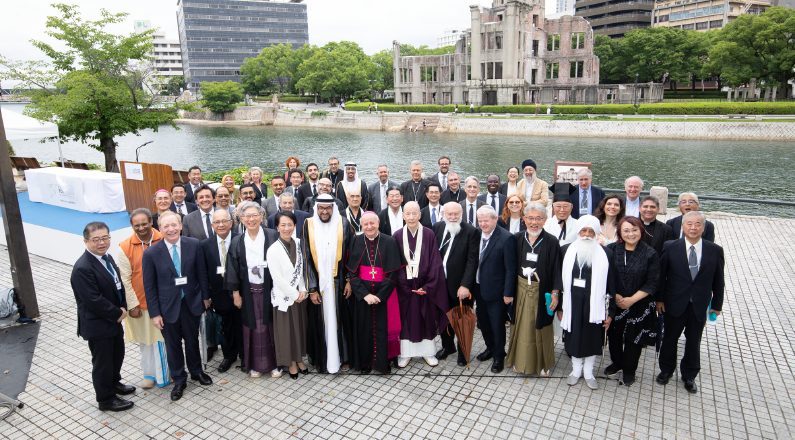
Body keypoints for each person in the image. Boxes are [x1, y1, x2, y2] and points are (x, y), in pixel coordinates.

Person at [142, 211, 213, 401]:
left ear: (181, 226)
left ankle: (197, 372)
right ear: (160, 229)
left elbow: (202, 273)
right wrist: (155, 313)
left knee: (192, 340)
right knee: (172, 345)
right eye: (166, 226)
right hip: (167, 308)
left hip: (191, 303)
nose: (171, 229)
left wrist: (205, 297)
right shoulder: (151, 253)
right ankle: (179, 379)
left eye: (174, 225)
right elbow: (149, 286)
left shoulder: (194, 245)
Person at [656, 211, 724, 394]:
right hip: (674, 302)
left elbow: (719, 280)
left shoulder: (714, 250)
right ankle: (666, 370)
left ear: (704, 227)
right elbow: (662, 276)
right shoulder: (670, 247)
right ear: (683, 226)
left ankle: (689, 375)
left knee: (694, 341)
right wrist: (659, 299)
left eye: (697, 224)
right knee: (670, 338)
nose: (693, 228)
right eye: (689, 224)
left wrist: (717, 305)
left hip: (699, 304)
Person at [71, 222, 135, 412]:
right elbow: (93, 300)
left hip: (113, 321)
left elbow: (117, 284)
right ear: (85, 241)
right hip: (99, 325)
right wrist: (118, 313)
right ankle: (105, 399)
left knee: (117, 355)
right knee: (103, 363)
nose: (101, 243)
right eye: (96, 239)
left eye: (105, 238)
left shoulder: (106, 258)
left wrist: (123, 305)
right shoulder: (83, 268)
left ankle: (114, 384)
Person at [224, 202, 280, 378]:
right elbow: (232, 268)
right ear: (240, 219)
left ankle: (275, 364)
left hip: (270, 289)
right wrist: (235, 293)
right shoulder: (237, 241)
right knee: (252, 327)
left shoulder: (272, 235)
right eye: (246, 216)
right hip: (249, 291)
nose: (251, 219)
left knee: (271, 326)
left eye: (255, 215)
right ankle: (254, 365)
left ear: (262, 216)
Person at [506, 203, 562, 376]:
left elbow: (556, 270)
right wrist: (508, 292)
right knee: (520, 327)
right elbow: (509, 267)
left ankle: (542, 364)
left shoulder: (552, 241)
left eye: (538, 218)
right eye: (530, 218)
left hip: (541, 290)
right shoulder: (516, 238)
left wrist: (555, 293)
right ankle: (519, 361)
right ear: (524, 219)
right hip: (521, 289)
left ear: (545, 220)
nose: (534, 222)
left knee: (541, 326)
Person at [559, 215, 614, 390]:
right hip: (572, 303)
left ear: (597, 233)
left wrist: (610, 312)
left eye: (591, 231)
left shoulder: (606, 253)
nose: (587, 235)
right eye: (584, 230)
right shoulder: (566, 250)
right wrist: (560, 306)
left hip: (595, 306)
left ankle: (589, 372)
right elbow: (559, 281)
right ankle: (575, 371)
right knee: (574, 338)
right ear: (578, 231)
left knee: (592, 339)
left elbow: (612, 285)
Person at [605, 216, 660, 386]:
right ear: (620, 233)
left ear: (641, 230)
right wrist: (616, 296)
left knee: (634, 339)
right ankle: (617, 362)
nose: (631, 234)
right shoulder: (611, 249)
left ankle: (629, 370)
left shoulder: (650, 253)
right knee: (613, 335)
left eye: (634, 230)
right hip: (616, 301)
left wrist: (631, 300)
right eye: (626, 230)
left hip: (639, 303)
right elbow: (605, 276)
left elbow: (653, 281)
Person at [393, 202, 449, 368]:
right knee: (406, 321)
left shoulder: (429, 234)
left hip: (425, 286)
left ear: (420, 215)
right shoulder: (396, 235)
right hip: (405, 288)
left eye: (414, 213)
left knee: (427, 319)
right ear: (403, 215)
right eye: (408, 213)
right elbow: (395, 263)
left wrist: (428, 286)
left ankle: (428, 352)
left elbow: (435, 263)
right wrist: (403, 284)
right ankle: (405, 353)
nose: (411, 217)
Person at [118, 209, 170, 389]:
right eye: (136, 225)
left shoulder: (164, 237)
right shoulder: (125, 247)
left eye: (144, 223)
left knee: (163, 340)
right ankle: (149, 374)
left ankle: (165, 374)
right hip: (140, 304)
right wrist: (132, 304)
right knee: (145, 342)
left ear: (151, 222)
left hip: (164, 301)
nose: (141, 228)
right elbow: (124, 278)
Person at [345, 212, 402, 374]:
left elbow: (393, 274)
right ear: (361, 225)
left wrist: (379, 295)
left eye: (372, 223)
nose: (369, 227)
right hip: (363, 297)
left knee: (382, 329)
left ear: (378, 223)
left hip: (383, 296)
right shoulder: (356, 241)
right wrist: (365, 295)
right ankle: (365, 364)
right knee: (363, 329)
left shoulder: (389, 241)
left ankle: (382, 363)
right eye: (365, 224)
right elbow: (352, 273)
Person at [302, 194, 353, 373]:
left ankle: (344, 357)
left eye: (328, 208)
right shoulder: (308, 225)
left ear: (333, 208)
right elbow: (306, 257)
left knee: (342, 321)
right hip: (320, 287)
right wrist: (312, 288)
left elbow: (350, 255)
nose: (324, 211)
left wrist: (349, 281)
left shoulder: (344, 224)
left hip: (339, 283)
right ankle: (321, 360)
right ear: (316, 208)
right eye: (321, 208)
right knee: (319, 322)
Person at [433, 202, 479, 366]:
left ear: (461, 214)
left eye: (456, 214)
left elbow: (472, 260)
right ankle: (447, 347)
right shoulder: (437, 227)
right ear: (444, 214)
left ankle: (463, 351)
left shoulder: (471, 232)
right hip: (441, 285)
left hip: (461, 286)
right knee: (444, 319)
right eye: (449, 214)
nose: (452, 217)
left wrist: (465, 285)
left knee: (462, 320)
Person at [473, 205, 517, 373]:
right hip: (478, 288)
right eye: (480, 220)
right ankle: (489, 348)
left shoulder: (506, 238)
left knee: (497, 324)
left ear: (495, 219)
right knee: (483, 322)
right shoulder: (476, 235)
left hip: (497, 291)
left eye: (486, 220)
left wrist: (508, 293)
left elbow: (510, 269)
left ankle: (499, 355)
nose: (483, 224)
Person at [266, 211, 309, 379]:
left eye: (289, 224)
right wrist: (294, 294)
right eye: (282, 225)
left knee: (299, 329)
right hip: (284, 297)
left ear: (294, 226)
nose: (286, 228)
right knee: (287, 331)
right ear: (277, 227)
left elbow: (302, 269)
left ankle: (299, 359)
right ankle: (290, 362)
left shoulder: (298, 243)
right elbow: (277, 278)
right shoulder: (273, 249)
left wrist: (303, 290)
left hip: (299, 296)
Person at [201, 209, 242, 373]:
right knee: (225, 326)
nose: (221, 225)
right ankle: (229, 355)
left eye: (224, 221)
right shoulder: (205, 245)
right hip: (219, 293)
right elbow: (203, 272)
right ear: (212, 225)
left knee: (241, 324)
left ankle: (245, 355)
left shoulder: (240, 241)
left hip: (240, 292)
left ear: (231, 223)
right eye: (217, 222)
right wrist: (206, 295)